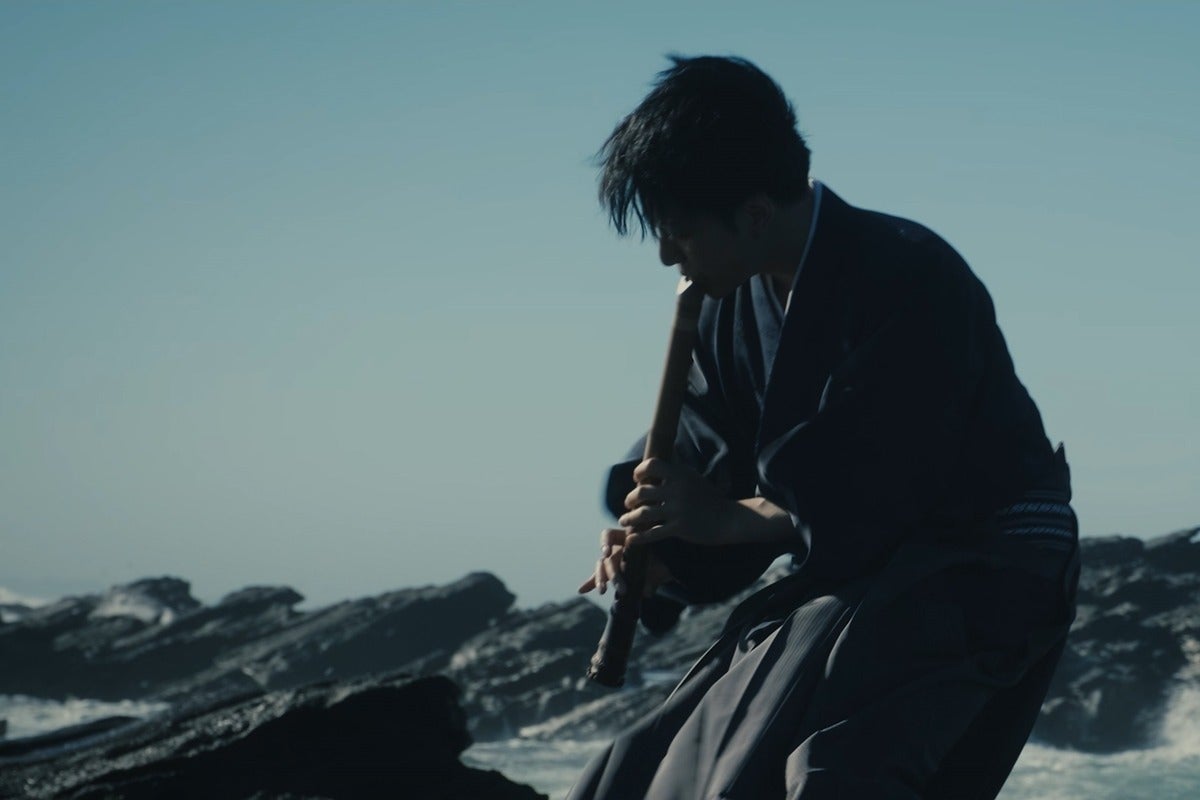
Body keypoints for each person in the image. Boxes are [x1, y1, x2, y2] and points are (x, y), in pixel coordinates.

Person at [569, 55, 1080, 800]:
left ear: (754, 213)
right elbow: (707, 464)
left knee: (824, 773)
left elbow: (888, 491)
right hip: (850, 578)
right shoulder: (724, 311)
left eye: (679, 232)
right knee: (640, 768)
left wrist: (726, 521)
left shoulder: (911, 276)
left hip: (980, 566)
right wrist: (667, 550)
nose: (666, 255)